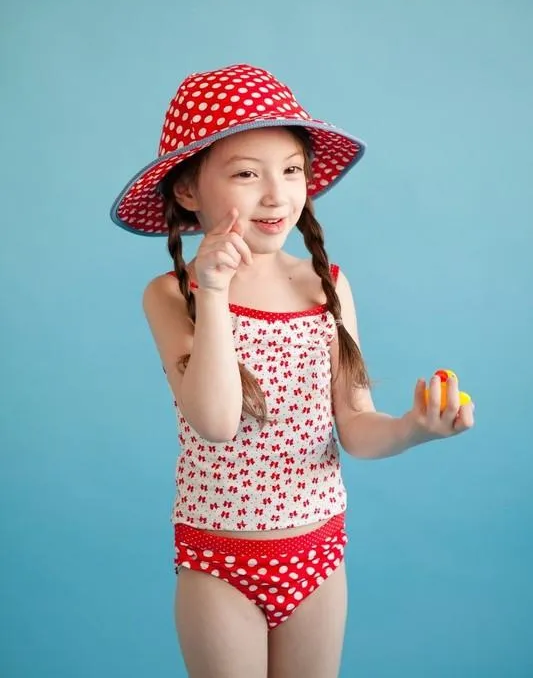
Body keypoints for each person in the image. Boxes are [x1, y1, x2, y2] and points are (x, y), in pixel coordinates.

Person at [110, 63, 475, 678]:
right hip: (220, 561)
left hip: (319, 555)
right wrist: (216, 289)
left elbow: (354, 426)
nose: (277, 194)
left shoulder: (325, 286)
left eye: (292, 170)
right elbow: (217, 421)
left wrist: (414, 427)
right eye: (247, 174)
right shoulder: (171, 296)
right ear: (188, 191)